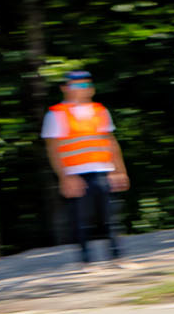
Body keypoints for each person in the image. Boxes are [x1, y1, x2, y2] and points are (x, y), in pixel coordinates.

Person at [43, 69, 130, 263]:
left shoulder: (100, 111)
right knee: (81, 220)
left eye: (86, 84)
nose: (83, 88)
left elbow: (111, 142)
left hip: (103, 170)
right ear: (65, 88)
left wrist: (119, 171)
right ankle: (86, 262)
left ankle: (118, 257)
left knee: (111, 217)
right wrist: (64, 177)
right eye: (77, 84)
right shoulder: (56, 114)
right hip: (76, 174)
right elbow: (53, 150)